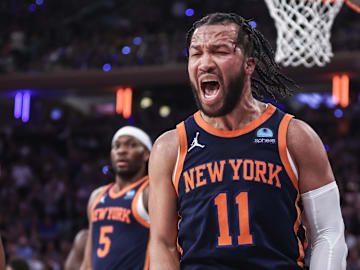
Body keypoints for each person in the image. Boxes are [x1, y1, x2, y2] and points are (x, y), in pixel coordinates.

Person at [148, 12, 347, 270]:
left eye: (219, 51)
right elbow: (162, 244)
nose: (205, 63)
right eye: (196, 53)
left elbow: (328, 233)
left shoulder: (295, 136)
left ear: (249, 64)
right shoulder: (170, 147)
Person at [80, 126, 152, 270]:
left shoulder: (150, 191)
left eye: (131, 145)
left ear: (146, 154)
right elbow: (88, 258)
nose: (122, 151)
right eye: (116, 146)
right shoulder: (97, 196)